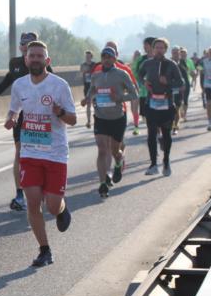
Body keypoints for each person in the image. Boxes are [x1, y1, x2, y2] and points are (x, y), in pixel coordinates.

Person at [5, 41, 76, 268]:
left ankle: (62, 209)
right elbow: (14, 107)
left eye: (39, 56)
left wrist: (61, 112)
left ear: (47, 61)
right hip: (30, 152)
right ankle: (44, 250)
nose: (35, 59)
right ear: (26, 59)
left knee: (52, 206)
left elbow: (73, 119)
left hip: (55, 153)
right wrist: (11, 118)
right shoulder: (19, 85)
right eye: (31, 55)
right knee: (33, 202)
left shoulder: (59, 85)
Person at [0, 31, 52, 212]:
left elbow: (53, 86)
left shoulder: (43, 64)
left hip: (40, 116)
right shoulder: (15, 63)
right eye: (23, 44)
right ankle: (20, 193)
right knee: (20, 153)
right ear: (21, 47)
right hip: (21, 116)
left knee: (39, 153)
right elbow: (8, 79)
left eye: (30, 43)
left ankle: (43, 188)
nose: (25, 47)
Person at [82, 47, 138, 197]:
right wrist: (87, 98)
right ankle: (102, 183)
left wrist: (119, 98)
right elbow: (92, 90)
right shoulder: (96, 75)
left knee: (115, 151)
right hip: (100, 117)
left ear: (114, 59)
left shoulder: (122, 74)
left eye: (109, 57)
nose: (106, 59)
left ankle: (119, 163)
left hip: (117, 118)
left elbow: (134, 94)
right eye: (103, 56)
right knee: (101, 149)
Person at [139, 37, 184, 176]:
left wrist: (168, 83)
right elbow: (139, 76)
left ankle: (166, 161)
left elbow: (180, 83)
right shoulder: (147, 63)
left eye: (162, 47)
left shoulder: (171, 64)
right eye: (156, 47)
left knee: (166, 135)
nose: (159, 50)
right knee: (151, 134)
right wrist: (144, 83)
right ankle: (153, 164)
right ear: (152, 49)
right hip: (151, 104)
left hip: (167, 104)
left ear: (165, 49)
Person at [79, 50, 96, 128]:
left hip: (94, 86)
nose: (87, 58)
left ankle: (97, 119)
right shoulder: (83, 65)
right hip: (86, 86)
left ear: (91, 57)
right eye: (86, 56)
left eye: (89, 56)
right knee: (88, 104)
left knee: (96, 104)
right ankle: (89, 121)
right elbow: (82, 72)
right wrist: (86, 71)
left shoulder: (94, 65)